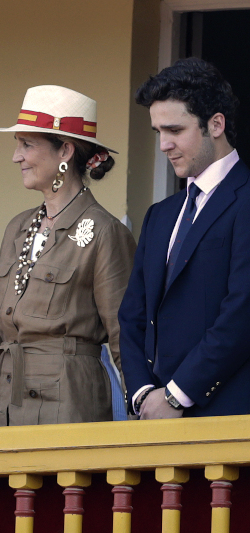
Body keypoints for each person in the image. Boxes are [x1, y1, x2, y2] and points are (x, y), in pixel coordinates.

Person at [0, 85, 136, 426]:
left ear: (65, 150)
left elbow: (126, 335)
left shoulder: (105, 231)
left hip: (66, 409)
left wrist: (141, 406)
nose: (16, 156)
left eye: (27, 144)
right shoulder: (17, 228)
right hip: (4, 405)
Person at [119, 57, 250, 419]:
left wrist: (177, 395)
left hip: (229, 422)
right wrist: (144, 394)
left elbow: (242, 313)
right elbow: (132, 315)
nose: (164, 145)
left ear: (216, 124)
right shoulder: (159, 215)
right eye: (158, 132)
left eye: (175, 130)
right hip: (155, 421)